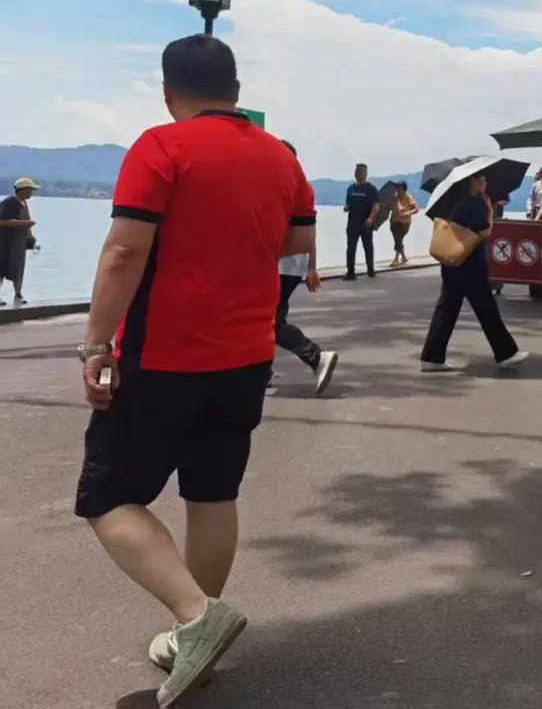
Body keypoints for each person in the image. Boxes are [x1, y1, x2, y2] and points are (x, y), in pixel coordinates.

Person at [73, 35, 316, 706]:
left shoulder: (161, 147)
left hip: (164, 356)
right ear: (236, 90)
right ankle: (196, 642)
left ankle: (195, 616)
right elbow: (297, 244)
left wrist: (96, 345)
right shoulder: (281, 158)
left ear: (167, 91)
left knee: (105, 497)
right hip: (246, 358)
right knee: (212, 494)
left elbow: (125, 251)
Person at [419, 172, 529, 371]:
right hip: (470, 265)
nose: (485, 182)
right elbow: (485, 232)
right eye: (483, 179)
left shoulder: (456, 203)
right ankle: (506, 353)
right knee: (486, 307)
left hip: (453, 263)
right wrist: (490, 212)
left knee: (447, 308)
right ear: (473, 181)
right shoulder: (473, 204)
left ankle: (432, 357)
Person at [273, 141, 340, 396]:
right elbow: (309, 230)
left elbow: (305, 231)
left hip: (281, 265)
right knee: (264, 319)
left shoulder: (283, 186)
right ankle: (260, 372)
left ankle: (316, 357)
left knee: (269, 321)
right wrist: (311, 266)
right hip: (291, 265)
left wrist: (312, 266)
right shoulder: (300, 186)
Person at [0, 176, 39, 306]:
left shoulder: (23, 203)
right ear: (21, 190)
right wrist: (24, 223)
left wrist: (30, 236)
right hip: (5, 243)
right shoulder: (10, 202)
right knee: (1, 269)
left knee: (18, 270)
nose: (31, 193)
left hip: (19, 244)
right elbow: (2, 221)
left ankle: (18, 295)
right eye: (29, 190)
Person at [342, 164, 379, 280]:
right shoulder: (351, 188)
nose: (357, 174)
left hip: (365, 223)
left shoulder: (371, 188)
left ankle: (371, 270)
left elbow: (376, 205)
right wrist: (346, 207)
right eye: (356, 171)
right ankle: (350, 272)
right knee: (350, 248)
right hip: (352, 223)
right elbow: (348, 203)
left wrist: (371, 218)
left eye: (360, 172)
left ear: (365, 173)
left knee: (368, 247)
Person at [387, 182, 418, 267]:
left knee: (398, 239)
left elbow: (416, 209)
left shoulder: (408, 198)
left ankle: (396, 259)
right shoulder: (394, 198)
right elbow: (389, 207)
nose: (397, 189)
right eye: (396, 188)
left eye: (399, 188)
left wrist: (408, 213)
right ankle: (403, 257)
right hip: (394, 221)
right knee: (397, 240)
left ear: (403, 188)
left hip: (404, 222)